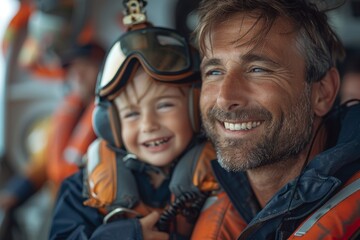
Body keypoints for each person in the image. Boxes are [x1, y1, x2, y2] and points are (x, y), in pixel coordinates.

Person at [189, 0, 360, 239]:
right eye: (214, 72)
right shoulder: (188, 201)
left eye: (258, 69)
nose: (225, 98)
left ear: (323, 92)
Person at [48, 12, 218, 240]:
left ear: (196, 106)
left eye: (165, 105)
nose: (148, 124)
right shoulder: (82, 189)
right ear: (111, 124)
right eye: (131, 114)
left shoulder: (225, 171)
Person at [0, 42, 104, 239]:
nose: (78, 75)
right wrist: (13, 194)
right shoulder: (64, 115)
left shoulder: (113, 119)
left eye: (85, 67)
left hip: (93, 210)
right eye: (73, 70)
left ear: (103, 70)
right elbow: (42, 164)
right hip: (59, 203)